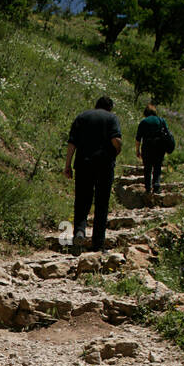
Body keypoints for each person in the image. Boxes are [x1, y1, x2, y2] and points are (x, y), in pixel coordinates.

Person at [64, 95, 122, 252]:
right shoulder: (111, 118)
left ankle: (80, 232)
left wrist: (67, 165)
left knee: (82, 200)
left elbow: (72, 143)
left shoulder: (82, 116)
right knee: (101, 203)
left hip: (83, 164)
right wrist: (117, 151)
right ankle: (98, 244)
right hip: (104, 165)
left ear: (96, 105)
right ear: (109, 108)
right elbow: (116, 140)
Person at [135, 103, 166, 200]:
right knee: (157, 166)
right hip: (159, 147)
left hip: (147, 147)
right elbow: (167, 134)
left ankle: (148, 188)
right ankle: (156, 186)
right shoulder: (161, 120)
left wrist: (137, 150)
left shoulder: (144, 122)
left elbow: (138, 138)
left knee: (147, 168)